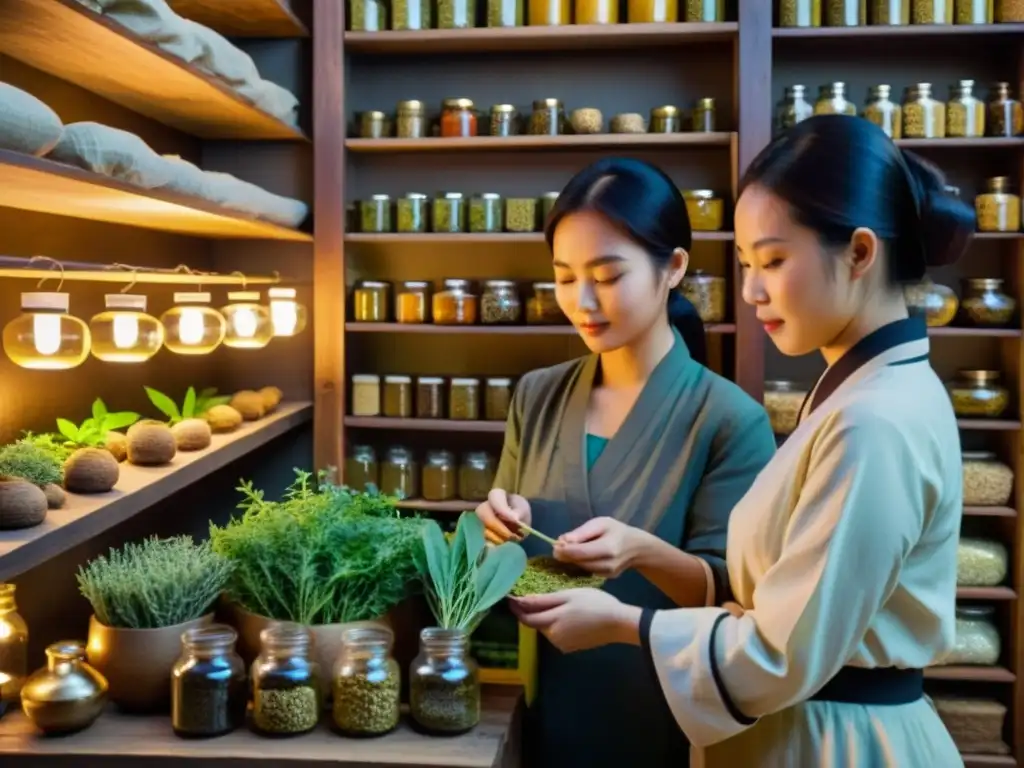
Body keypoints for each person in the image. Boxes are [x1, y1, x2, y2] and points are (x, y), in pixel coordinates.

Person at [511, 114, 972, 767]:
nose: (751, 291)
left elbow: (780, 652)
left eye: (774, 261)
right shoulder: (852, 395)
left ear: (861, 253)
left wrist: (625, 623)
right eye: (747, 263)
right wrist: (638, 552)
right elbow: (777, 599)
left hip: (835, 743)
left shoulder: (872, 421)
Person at [476, 156, 777, 768]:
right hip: (543, 708)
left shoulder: (729, 421)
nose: (582, 301)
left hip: (666, 717)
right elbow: (501, 564)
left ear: (673, 268)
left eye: (608, 275)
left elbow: (740, 601)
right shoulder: (536, 395)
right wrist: (493, 532)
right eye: (564, 277)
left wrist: (641, 551)